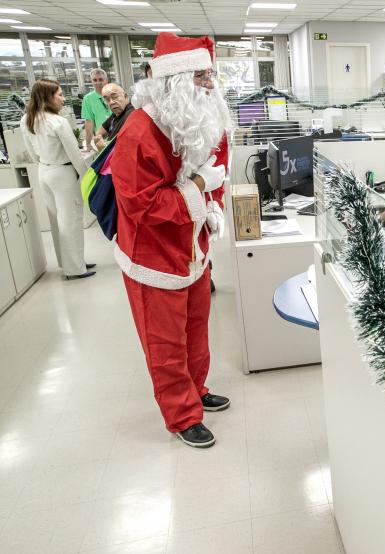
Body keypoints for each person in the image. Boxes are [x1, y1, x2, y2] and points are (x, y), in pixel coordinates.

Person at [110, 32, 233, 448]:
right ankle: (181, 415)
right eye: (201, 77)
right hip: (153, 258)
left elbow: (215, 167)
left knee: (196, 330)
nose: (210, 85)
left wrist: (213, 206)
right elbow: (142, 206)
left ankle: (196, 390)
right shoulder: (138, 134)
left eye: (210, 75)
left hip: (193, 249)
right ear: (173, 81)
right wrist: (199, 188)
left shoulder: (197, 118)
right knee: (165, 342)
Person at [19, 79, 95, 280]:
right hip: (63, 174)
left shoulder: (26, 119)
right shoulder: (58, 121)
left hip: (44, 172)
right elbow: (74, 154)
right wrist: (86, 176)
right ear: (48, 97)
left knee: (56, 220)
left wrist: (45, 164)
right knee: (70, 221)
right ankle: (75, 268)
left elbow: (31, 152)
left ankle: (69, 262)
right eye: (59, 95)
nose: (63, 99)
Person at [92, 83, 134, 151]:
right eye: (107, 99)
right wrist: (99, 139)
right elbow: (99, 132)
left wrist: (104, 149)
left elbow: (127, 149)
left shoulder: (131, 115)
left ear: (125, 96)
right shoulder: (116, 113)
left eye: (115, 97)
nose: (111, 102)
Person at [80, 68, 111, 150]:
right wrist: (88, 144)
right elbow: (89, 122)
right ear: (91, 81)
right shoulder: (88, 99)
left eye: (100, 79)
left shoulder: (113, 94)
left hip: (118, 135)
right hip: (101, 141)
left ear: (106, 80)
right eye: (95, 80)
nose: (98, 82)